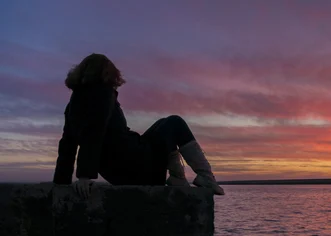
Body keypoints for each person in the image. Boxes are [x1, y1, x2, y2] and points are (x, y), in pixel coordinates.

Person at [52, 53, 224, 198]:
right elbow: (94, 132)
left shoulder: (73, 104)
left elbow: (67, 142)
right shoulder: (102, 92)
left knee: (164, 124)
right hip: (134, 166)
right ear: (107, 74)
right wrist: (84, 176)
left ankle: (178, 179)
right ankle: (204, 176)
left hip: (119, 173)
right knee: (175, 123)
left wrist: (61, 181)